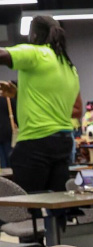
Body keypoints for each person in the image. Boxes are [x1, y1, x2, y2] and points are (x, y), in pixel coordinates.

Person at [0, 15, 79, 193]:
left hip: (36, 143)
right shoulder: (69, 66)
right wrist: (18, 94)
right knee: (56, 204)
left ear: (34, 36)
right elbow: (52, 101)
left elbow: (2, 55)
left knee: (29, 208)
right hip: (63, 143)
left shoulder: (37, 54)